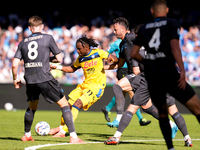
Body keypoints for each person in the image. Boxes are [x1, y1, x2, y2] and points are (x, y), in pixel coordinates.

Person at [104, 21, 192, 146]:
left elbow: (136, 70)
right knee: (173, 111)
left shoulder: (137, 50)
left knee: (132, 108)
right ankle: (188, 139)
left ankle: (116, 136)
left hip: (147, 80)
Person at [130, 1, 200, 150]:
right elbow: (174, 46)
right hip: (169, 73)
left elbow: (133, 53)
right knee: (196, 108)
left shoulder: (143, 29)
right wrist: (182, 70)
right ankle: (185, 138)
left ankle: (170, 148)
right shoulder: (172, 23)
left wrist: (148, 62)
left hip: (153, 77)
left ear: (152, 11)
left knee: (163, 113)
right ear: (167, 10)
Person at [12, 16, 84, 143]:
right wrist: (47, 61)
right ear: (42, 26)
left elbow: (14, 64)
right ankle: (73, 137)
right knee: (65, 104)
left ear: (29, 28)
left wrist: (15, 79)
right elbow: (60, 59)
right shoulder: (47, 38)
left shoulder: (22, 43)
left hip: (30, 79)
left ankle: (27, 135)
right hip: (44, 77)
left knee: (32, 107)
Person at [49, 35, 118, 137]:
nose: (77, 51)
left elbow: (114, 59)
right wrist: (56, 67)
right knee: (67, 106)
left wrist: (112, 59)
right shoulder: (80, 59)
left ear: (86, 47)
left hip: (96, 88)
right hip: (84, 86)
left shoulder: (98, 53)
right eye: (77, 49)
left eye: (79, 49)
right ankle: (60, 127)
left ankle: (63, 132)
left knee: (78, 104)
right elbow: (71, 69)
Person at [101, 38, 151, 126]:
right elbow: (106, 54)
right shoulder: (116, 44)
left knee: (121, 94)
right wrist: (109, 60)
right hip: (123, 70)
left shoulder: (130, 41)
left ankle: (107, 108)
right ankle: (140, 118)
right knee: (132, 93)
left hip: (131, 69)